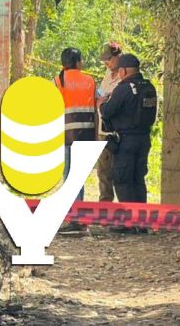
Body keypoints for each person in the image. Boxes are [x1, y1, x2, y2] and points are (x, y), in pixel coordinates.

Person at [99, 54, 157, 208]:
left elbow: (107, 112)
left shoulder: (123, 89)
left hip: (126, 142)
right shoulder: (149, 87)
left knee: (123, 180)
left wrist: (101, 104)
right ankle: (141, 217)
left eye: (119, 71)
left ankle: (128, 217)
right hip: (144, 140)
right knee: (138, 179)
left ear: (123, 71)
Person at [53, 48, 96, 231]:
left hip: (66, 135)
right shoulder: (90, 80)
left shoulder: (58, 81)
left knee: (69, 177)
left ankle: (75, 219)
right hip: (86, 134)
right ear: (78, 62)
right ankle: (78, 218)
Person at [95, 41, 122, 202]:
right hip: (102, 129)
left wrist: (106, 98)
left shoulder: (125, 74)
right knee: (103, 173)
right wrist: (99, 96)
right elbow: (102, 92)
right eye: (104, 60)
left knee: (120, 172)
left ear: (118, 56)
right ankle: (105, 205)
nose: (106, 63)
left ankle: (124, 208)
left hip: (118, 132)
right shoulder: (108, 73)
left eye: (109, 59)